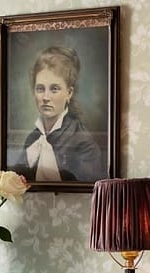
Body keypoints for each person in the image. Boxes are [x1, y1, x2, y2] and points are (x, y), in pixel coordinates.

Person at [11, 46, 106, 183]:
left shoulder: (83, 143)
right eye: (40, 89)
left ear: (69, 93)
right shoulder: (32, 139)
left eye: (54, 89)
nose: (45, 97)